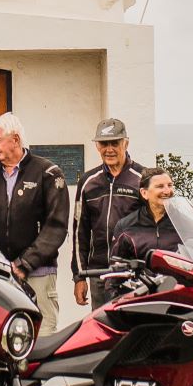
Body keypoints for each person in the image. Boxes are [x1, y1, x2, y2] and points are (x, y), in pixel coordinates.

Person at [0, 112, 69, 322]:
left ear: (15, 140)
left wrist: (25, 263)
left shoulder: (48, 173)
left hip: (39, 272)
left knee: (42, 333)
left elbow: (56, 226)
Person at [72, 117, 147, 309]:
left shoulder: (143, 179)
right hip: (99, 274)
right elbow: (79, 232)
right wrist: (79, 276)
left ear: (126, 143)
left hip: (133, 274)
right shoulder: (88, 182)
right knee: (103, 331)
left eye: (115, 143)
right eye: (104, 144)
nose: (109, 149)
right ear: (98, 146)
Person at [110, 168, 182, 262]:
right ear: (144, 193)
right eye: (160, 186)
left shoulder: (184, 223)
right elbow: (117, 267)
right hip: (141, 277)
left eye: (170, 185)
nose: (167, 191)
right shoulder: (125, 226)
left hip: (177, 277)